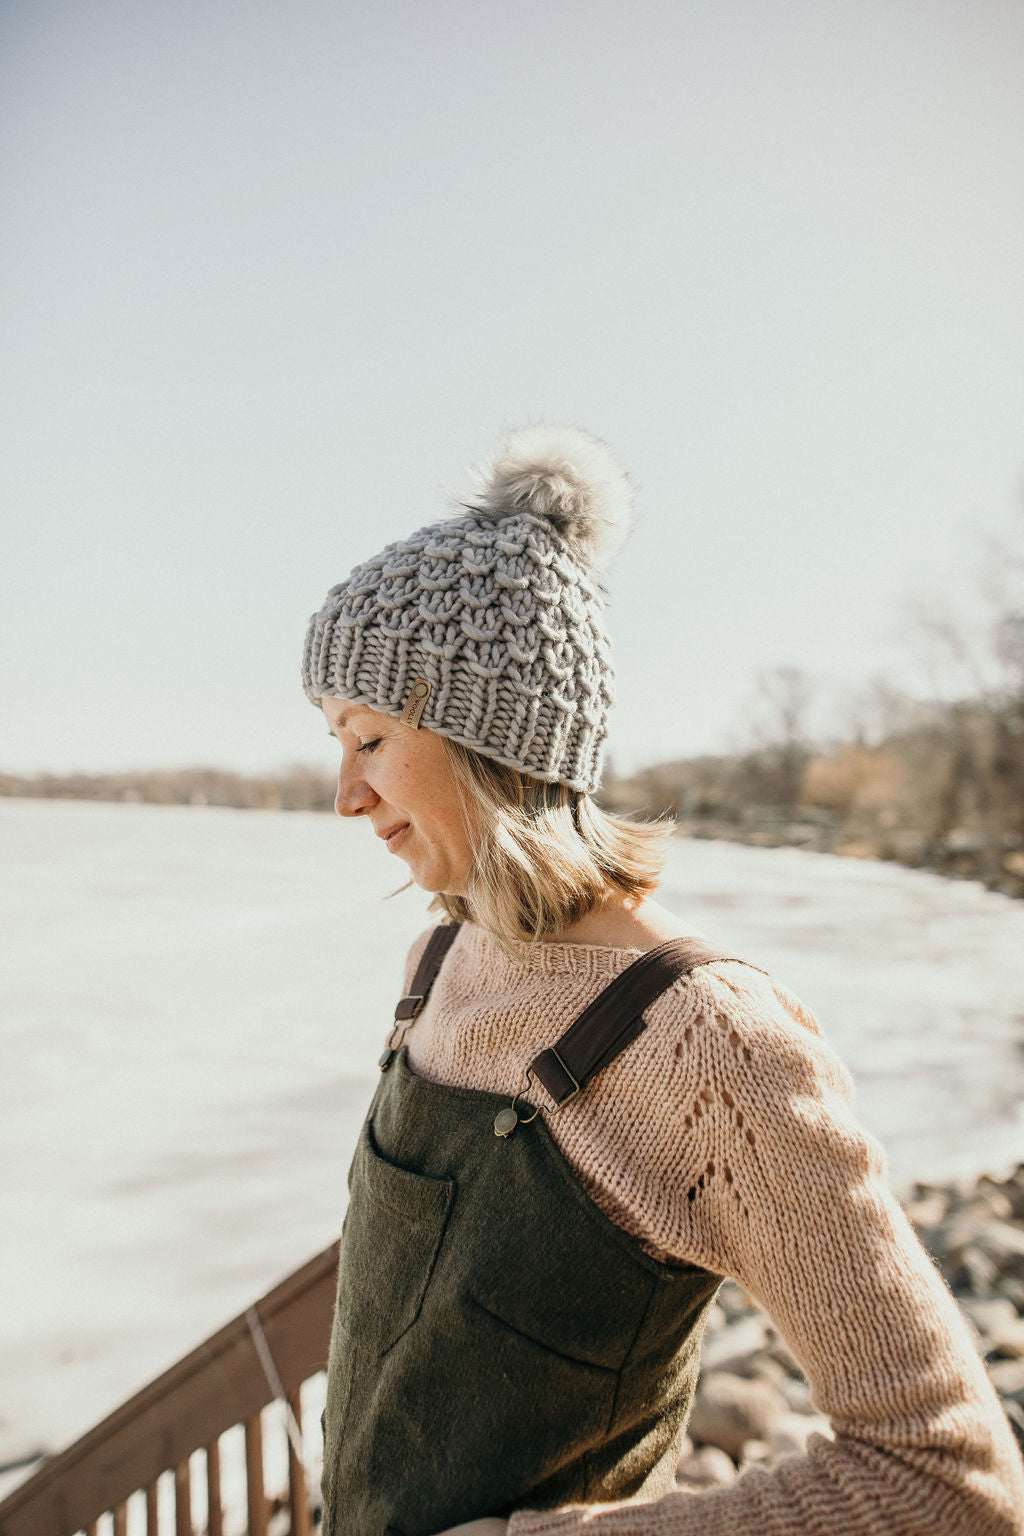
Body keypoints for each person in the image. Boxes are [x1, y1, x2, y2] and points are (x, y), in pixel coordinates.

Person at [302, 426, 1024, 1536]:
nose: (345, 795)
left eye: (371, 738)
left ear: (490, 738)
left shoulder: (708, 1042)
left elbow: (946, 1480)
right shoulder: (438, 961)